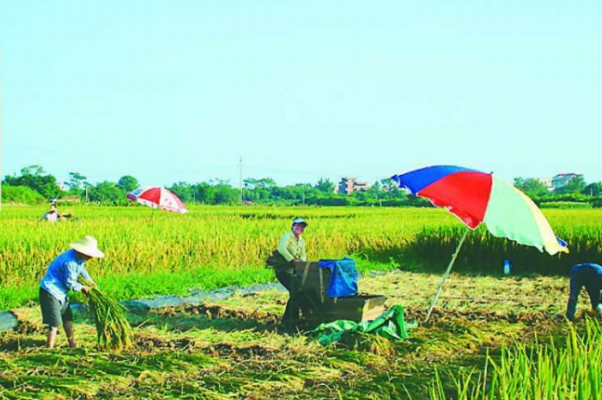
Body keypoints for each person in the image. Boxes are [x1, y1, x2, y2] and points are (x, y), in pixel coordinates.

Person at [39, 236, 104, 348]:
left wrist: (90, 282)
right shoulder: (70, 262)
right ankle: (49, 349)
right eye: (89, 254)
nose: (91, 257)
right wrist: (84, 288)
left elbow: (82, 270)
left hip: (62, 293)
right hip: (51, 292)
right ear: (82, 251)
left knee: (67, 318)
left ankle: (72, 344)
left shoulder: (79, 258)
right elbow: (70, 283)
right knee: (54, 323)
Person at [266, 217, 310, 328]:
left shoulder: (301, 240)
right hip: (283, 271)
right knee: (296, 291)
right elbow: (281, 249)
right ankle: (289, 320)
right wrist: (292, 260)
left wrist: (302, 264)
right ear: (293, 226)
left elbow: (303, 254)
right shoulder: (287, 236)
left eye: (302, 226)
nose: (300, 228)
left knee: (297, 292)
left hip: (294, 271)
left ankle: (291, 318)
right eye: (298, 225)